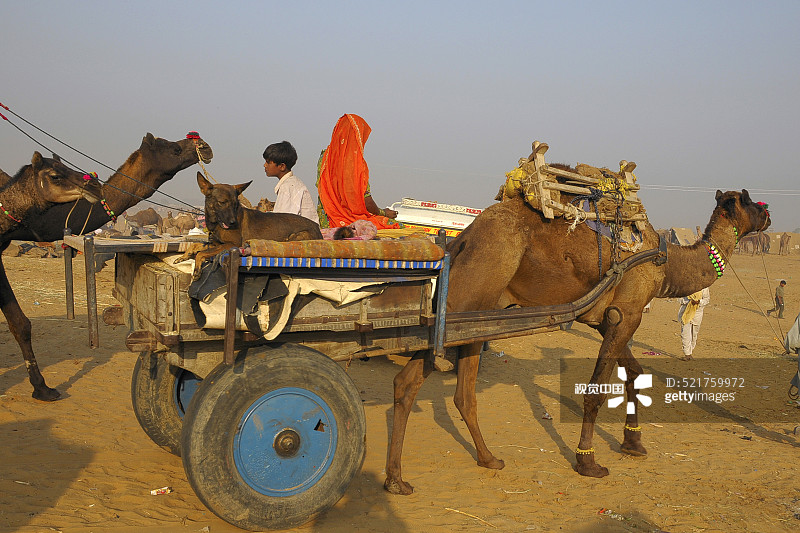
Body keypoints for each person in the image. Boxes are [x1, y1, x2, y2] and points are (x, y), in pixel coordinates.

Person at [316, 114, 399, 229]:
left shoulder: (324, 157)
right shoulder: (356, 164)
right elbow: (367, 202)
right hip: (350, 221)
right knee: (397, 226)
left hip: (326, 220)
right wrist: (383, 213)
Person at [263, 141, 319, 225]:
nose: (265, 165)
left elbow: (282, 222)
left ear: (282, 166)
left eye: (268, 162)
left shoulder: (288, 187)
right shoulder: (291, 183)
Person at [678, 287, 710, 360]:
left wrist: (699, 302)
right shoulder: (686, 286)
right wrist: (689, 301)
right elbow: (680, 299)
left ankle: (690, 351)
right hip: (686, 312)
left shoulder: (704, 288)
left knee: (694, 333)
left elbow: (707, 300)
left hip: (697, 313)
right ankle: (687, 354)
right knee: (685, 333)